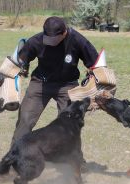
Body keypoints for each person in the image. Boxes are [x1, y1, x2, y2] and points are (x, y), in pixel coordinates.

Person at [12, 16, 99, 144]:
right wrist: (20, 68)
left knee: (70, 122)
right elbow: (21, 60)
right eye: (48, 39)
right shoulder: (36, 40)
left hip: (68, 85)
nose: (50, 43)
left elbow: (96, 63)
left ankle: (70, 160)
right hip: (40, 82)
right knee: (25, 119)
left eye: (54, 40)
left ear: (64, 33)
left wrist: (94, 80)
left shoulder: (77, 40)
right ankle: (14, 156)